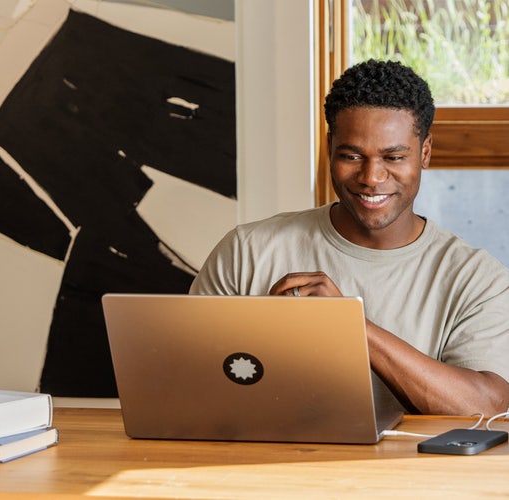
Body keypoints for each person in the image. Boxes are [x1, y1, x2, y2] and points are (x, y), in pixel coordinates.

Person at [190, 59, 509, 416]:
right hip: (263, 466)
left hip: (410, 472)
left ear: (425, 153)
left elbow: (487, 408)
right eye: (352, 155)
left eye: (393, 156)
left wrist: (351, 326)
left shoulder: (476, 278)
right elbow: (182, 382)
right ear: (330, 148)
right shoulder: (247, 251)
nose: (371, 177)